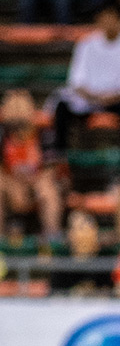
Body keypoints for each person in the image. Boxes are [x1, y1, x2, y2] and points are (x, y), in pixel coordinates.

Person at [52, 0, 120, 153]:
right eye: (103, 17)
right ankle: (60, 154)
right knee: (62, 107)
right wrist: (94, 97)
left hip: (119, 101)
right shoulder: (86, 44)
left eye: (111, 17)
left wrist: (111, 98)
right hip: (90, 99)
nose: (107, 22)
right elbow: (77, 81)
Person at [0, 90, 62, 240]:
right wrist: (14, 185)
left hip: (37, 182)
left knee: (47, 189)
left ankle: (52, 238)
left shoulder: (44, 133)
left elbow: (50, 169)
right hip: (11, 183)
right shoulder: (2, 133)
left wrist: (30, 184)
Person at [50, 211, 115, 296]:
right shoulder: (62, 263)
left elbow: (111, 292)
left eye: (90, 227)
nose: (88, 232)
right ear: (70, 235)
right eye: (81, 228)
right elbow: (56, 297)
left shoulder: (106, 259)